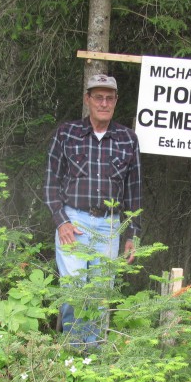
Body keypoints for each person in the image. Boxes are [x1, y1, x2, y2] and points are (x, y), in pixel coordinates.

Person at [44, 74, 142, 351]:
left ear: (115, 102)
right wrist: (61, 221)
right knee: (75, 290)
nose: (104, 102)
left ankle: (94, 355)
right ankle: (73, 352)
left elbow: (134, 191)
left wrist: (132, 232)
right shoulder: (67, 133)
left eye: (109, 98)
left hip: (109, 227)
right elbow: (51, 182)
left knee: (100, 294)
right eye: (98, 97)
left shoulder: (127, 139)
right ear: (87, 99)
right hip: (73, 222)